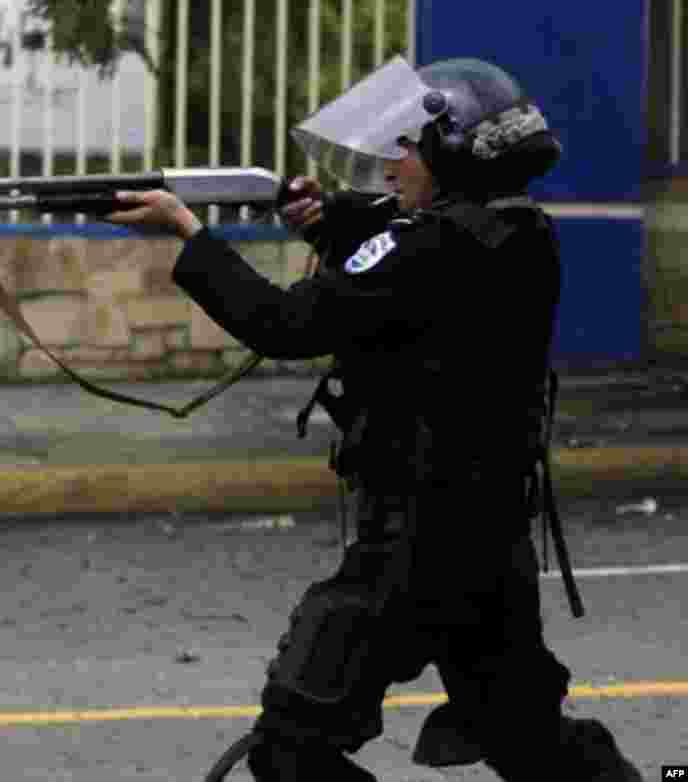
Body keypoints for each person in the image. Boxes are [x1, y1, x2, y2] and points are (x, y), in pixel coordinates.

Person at [106, 56, 643, 782]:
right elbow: (398, 269)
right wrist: (328, 220)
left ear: (453, 155)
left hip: (413, 552)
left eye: (409, 148)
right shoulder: (519, 234)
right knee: (528, 744)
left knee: (291, 749)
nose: (394, 163)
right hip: (487, 545)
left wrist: (191, 237)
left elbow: (285, 321)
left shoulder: (432, 248)